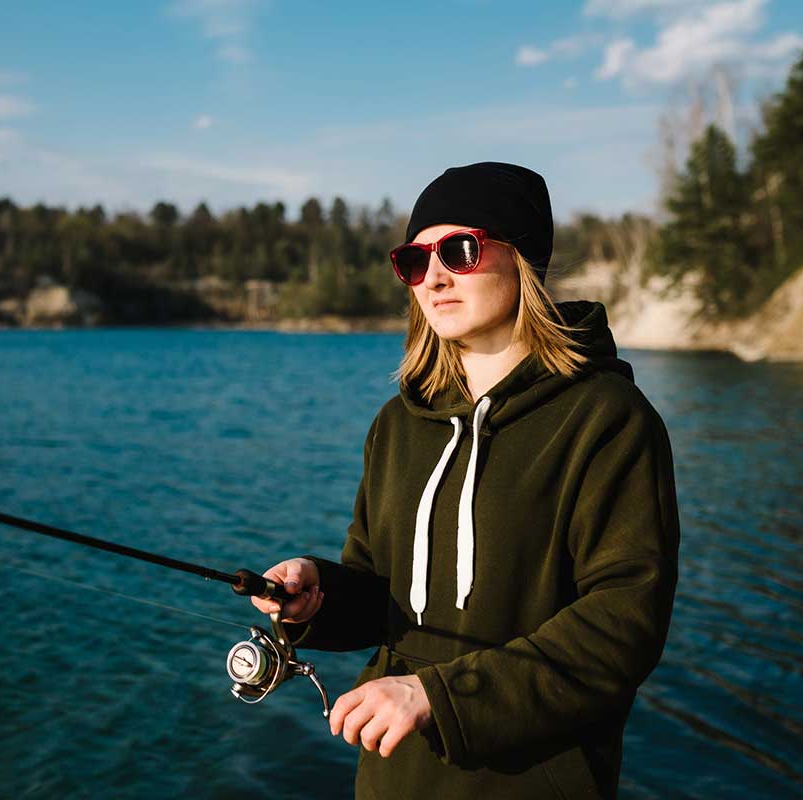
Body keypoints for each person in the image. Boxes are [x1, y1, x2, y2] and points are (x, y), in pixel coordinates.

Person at [253, 162, 680, 799]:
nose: (435, 277)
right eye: (414, 259)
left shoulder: (606, 419)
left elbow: (623, 624)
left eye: (461, 249)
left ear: (525, 260)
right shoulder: (399, 424)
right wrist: (321, 596)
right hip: (394, 778)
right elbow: (381, 599)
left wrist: (441, 696)